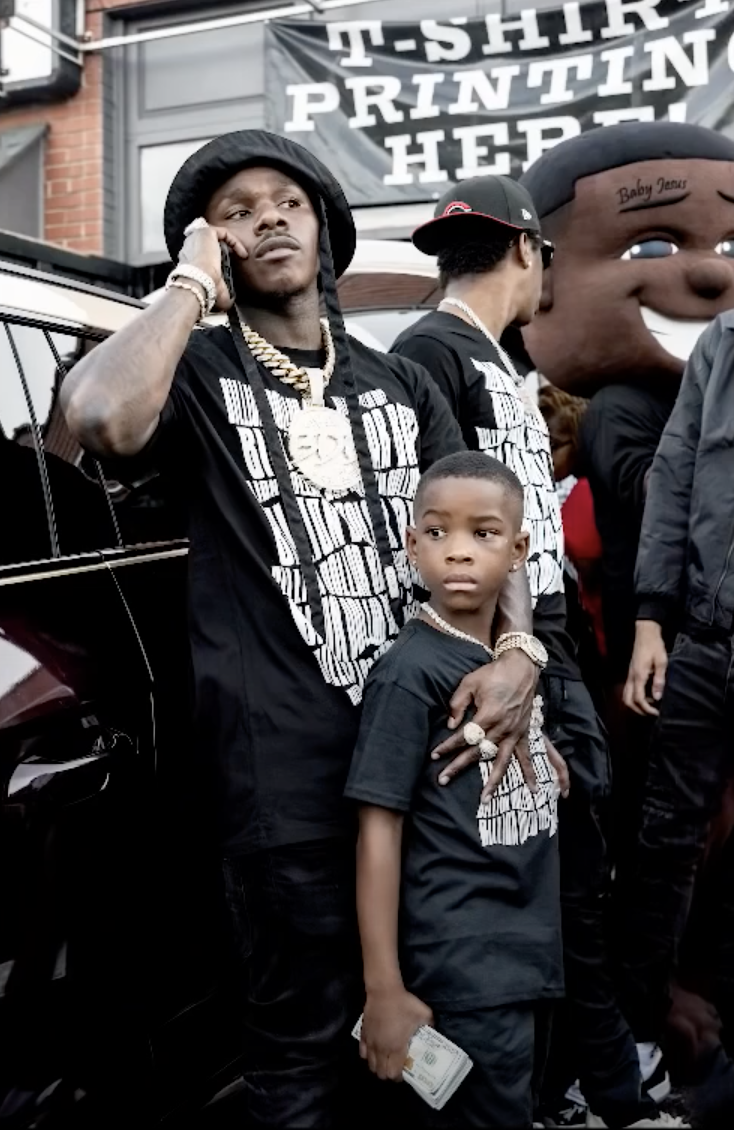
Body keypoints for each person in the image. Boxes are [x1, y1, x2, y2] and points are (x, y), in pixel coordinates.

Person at [58, 130, 558, 1129]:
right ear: (213, 242)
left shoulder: (398, 380)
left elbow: (490, 527)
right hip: (283, 786)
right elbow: (104, 419)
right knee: (303, 1048)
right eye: (236, 213)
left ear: (324, 226)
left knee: (429, 1036)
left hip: (426, 767)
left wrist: (519, 650)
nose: (268, 220)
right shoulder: (195, 372)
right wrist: (189, 285)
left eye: (287, 201)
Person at [391, 176, 673, 1129]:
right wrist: (517, 663)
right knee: (556, 887)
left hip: (544, 644)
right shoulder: (432, 352)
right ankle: (599, 1095)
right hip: (508, 655)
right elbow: (450, 534)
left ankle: (586, 1089)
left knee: (575, 880)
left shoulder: (493, 356)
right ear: (527, 249)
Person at [346, 451, 563, 1129]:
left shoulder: (507, 671)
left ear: (518, 550)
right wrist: (383, 987)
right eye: (438, 533)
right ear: (413, 545)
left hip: (526, 956)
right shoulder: (409, 673)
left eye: (483, 533)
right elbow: (378, 828)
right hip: (464, 965)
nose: (459, 551)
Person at [621, 311, 734, 1067]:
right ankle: (643, 1035)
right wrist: (650, 620)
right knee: (665, 840)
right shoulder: (722, 342)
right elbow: (674, 476)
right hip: (703, 636)